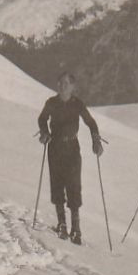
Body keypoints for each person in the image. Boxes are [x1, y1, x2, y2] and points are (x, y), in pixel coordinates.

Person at [36, 72, 104, 245]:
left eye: (66, 83)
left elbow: (91, 122)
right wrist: (45, 132)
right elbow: (42, 118)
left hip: (72, 148)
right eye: (60, 83)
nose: (63, 86)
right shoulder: (51, 103)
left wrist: (96, 139)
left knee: (74, 185)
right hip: (55, 147)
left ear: (73, 86)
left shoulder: (77, 104)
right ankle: (62, 224)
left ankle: (76, 228)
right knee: (57, 184)